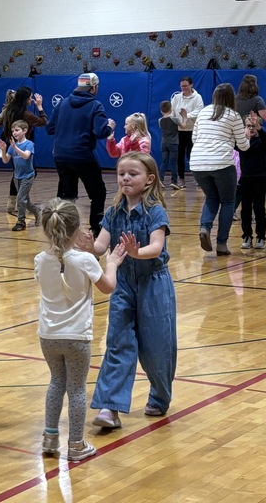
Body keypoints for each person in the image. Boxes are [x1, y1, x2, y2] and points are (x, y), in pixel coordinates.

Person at [88, 152, 176, 429]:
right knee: (118, 342)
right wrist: (86, 246)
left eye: (132, 174)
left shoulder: (156, 211)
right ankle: (110, 407)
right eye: (121, 173)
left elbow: (156, 247)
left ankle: (160, 396)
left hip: (154, 283)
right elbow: (101, 246)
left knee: (157, 348)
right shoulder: (113, 213)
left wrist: (138, 252)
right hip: (124, 284)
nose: (125, 178)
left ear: (149, 180)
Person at [36, 198, 123, 461]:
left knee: (56, 383)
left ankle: (50, 439)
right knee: (76, 389)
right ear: (77, 230)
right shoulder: (85, 260)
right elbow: (108, 287)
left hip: (48, 335)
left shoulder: (40, 259)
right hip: (76, 337)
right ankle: (76, 445)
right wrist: (112, 263)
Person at [45, 73, 113, 237]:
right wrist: (109, 125)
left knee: (67, 196)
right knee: (98, 193)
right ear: (94, 87)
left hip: (60, 156)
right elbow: (100, 132)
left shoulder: (62, 103)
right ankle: (96, 229)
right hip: (82, 155)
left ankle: (62, 228)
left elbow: (49, 129)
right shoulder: (95, 105)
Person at [190, 83, 249, 256]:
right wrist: (246, 135)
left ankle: (204, 227)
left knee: (211, 197)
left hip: (197, 162)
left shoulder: (203, 112)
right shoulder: (234, 115)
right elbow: (243, 147)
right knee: (228, 201)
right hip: (222, 162)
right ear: (232, 97)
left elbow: (194, 138)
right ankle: (222, 244)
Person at [0, 86, 48, 216]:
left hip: (10, 145)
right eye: (30, 97)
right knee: (29, 173)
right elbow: (43, 122)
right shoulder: (26, 115)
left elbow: (2, 123)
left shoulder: (9, 110)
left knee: (17, 173)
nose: (31, 99)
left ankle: (12, 203)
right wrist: (40, 106)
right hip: (22, 145)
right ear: (25, 99)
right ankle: (23, 202)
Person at [0, 120, 41, 231]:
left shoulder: (29, 144)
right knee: (26, 201)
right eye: (13, 131)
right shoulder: (12, 146)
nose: (14, 133)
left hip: (28, 176)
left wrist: (15, 148)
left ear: (25, 130)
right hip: (17, 177)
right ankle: (37, 211)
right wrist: (3, 150)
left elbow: (26, 156)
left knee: (20, 199)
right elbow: (6, 160)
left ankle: (21, 222)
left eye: (17, 130)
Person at [238, 116, 266, 250]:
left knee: (259, 208)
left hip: (259, 178)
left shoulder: (261, 141)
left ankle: (261, 236)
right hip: (245, 178)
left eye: (253, 126)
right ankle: (247, 235)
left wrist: (259, 127)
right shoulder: (241, 143)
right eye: (248, 126)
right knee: (245, 209)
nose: (250, 128)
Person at [170, 76, 204, 188]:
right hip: (179, 130)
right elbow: (172, 111)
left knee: (192, 155)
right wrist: (176, 120)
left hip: (192, 130)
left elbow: (199, 111)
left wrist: (186, 116)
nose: (184, 88)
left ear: (191, 85)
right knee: (179, 156)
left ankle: (198, 178)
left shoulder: (197, 97)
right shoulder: (176, 97)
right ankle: (181, 179)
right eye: (182, 86)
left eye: (186, 85)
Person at [157, 101, 181, 189]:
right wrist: (185, 117)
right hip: (173, 143)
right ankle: (174, 181)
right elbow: (183, 125)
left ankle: (160, 179)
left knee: (164, 162)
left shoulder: (160, 120)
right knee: (173, 162)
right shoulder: (174, 119)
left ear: (161, 110)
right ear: (171, 109)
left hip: (164, 143)